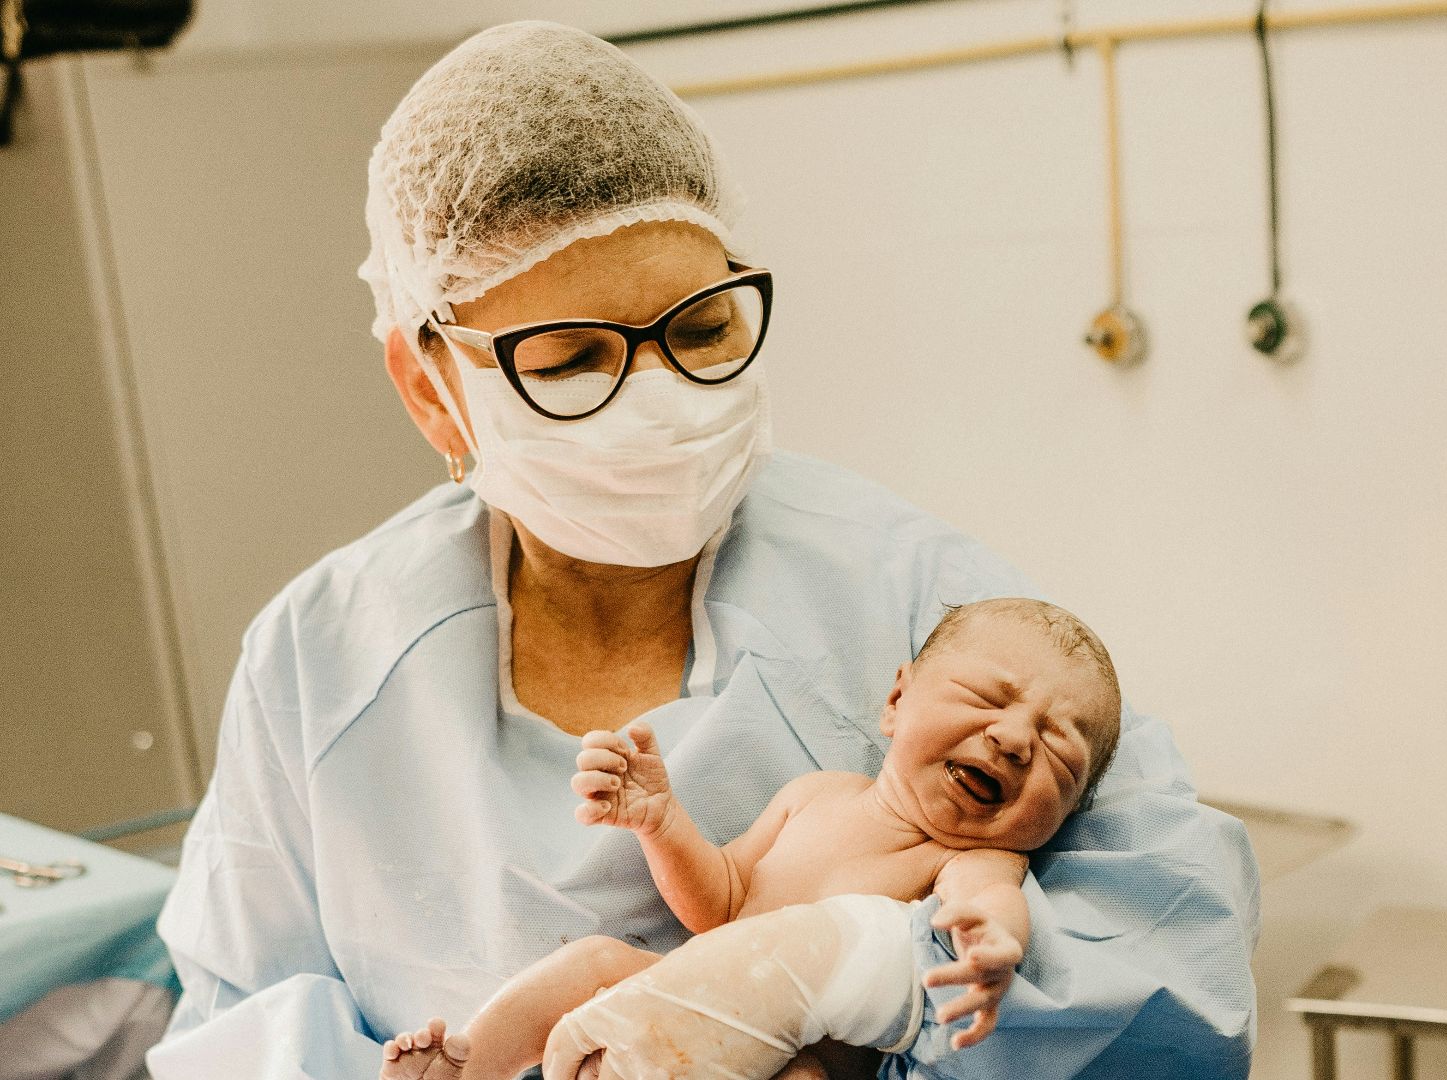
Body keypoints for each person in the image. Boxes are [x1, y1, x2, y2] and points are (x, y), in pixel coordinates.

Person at [146, 20, 1259, 1080]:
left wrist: (859, 971)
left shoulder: (931, 608)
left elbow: (1180, 986)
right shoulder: (321, 659)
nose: (658, 399)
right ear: (430, 389)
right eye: (573, 357)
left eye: (702, 330)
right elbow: (234, 1030)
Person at [381, 598, 1126, 1080]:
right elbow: (721, 905)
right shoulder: (817, 795)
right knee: (597, 960)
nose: (1015, 738)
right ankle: (467, 1065)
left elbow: (988, 900)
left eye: (1061, 748)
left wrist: (993, 944)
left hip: (791, 1062)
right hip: (663, 1010)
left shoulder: (970, 857)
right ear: (897, 700)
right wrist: (663, 824)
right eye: (988, 697)